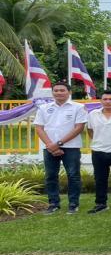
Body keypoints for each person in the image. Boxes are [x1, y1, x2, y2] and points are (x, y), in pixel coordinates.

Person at [33, 81, 88, 214]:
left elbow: (79, 128)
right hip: (49, 148)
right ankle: (53, 203)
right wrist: (51, 145)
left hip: (71, 147)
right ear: (52, 93)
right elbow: (39, 128)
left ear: (69, 92)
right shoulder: (43, 108)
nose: (59, 93)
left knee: (73, 175)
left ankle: (73, 204)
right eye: (56, 90)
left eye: (62, 90)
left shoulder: (78, 107)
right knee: (51, 176)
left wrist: (58, 144)